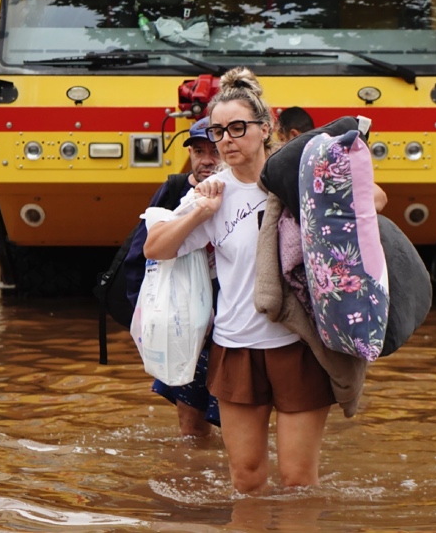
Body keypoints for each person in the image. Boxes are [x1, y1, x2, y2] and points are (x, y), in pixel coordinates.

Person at [144, 67, 336, 494]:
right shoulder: (211, 192)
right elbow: (154, 247)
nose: (226, 139)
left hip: (297, 344)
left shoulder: (296, 178)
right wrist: (199, 214)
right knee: (246, 479)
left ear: (265, 128)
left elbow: (373, 199)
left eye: (237, 128)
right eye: (218, 131)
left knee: (298, 481)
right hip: (236, 348)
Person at [124, 117, 221, 437]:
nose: (206, 159)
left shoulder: (247, 192)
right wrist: (148, 316)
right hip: (185, 324)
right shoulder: (176, 189)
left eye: (214, 150)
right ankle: (193, 476)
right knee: (191, 426)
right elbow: (141, 255)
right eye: (198, 151)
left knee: (239, 420)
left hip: (232, 323)